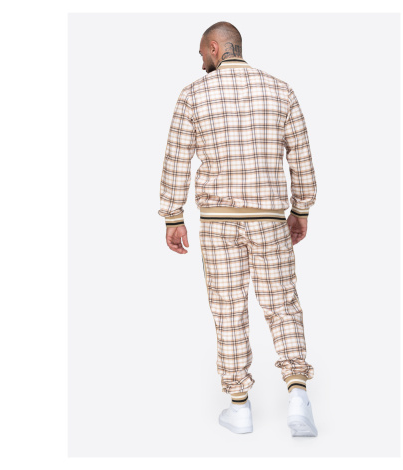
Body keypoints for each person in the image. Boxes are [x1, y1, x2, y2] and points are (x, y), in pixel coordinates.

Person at [158, 21, 318, 437]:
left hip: (218, 223)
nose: (201, 63)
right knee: (283, 305)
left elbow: (176, 158)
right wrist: (300, 209)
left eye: (202, 54)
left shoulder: (193, 94)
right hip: (269, 219)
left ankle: (239, 406)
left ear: (215, 47)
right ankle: (298, 395)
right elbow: (301, 155)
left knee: (228, 309)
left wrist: (173, 216)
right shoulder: (281, 90)